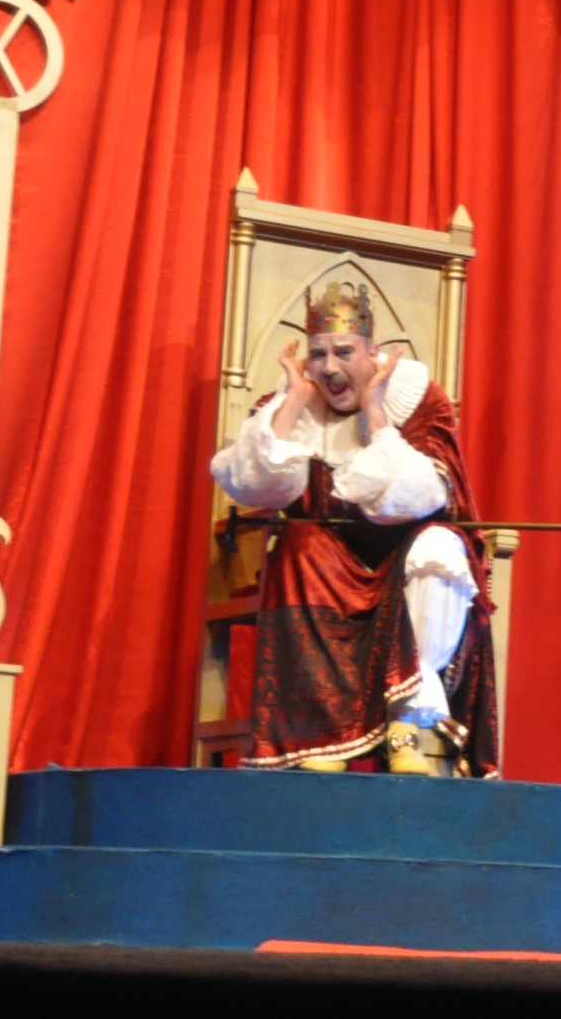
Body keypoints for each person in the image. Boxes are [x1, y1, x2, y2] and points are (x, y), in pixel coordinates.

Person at [210, 282, 495, 776]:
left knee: (441, 549)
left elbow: (425, 496)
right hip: (327, 563)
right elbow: (254, 484)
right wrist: (294, 402)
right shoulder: (289, 402)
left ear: (372, 352)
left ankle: (409, 725)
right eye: (318, 354)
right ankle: (323, 739)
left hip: (401, 556)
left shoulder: (420, 400)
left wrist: (375, 413)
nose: (328, 368)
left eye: (343, 352)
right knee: (299, 542)